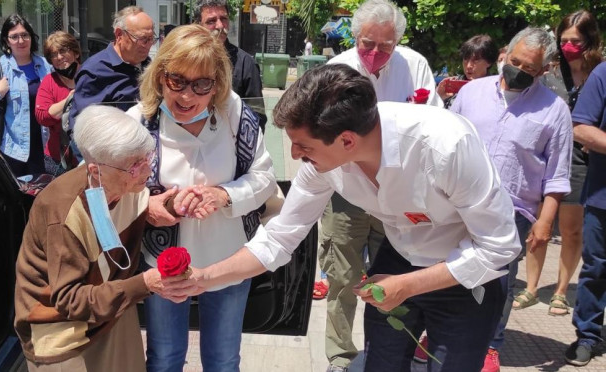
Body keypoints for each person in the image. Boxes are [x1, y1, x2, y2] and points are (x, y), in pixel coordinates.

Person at [163, 63, 520, 370]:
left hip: (466, 273)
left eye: (304, 146)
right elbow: (281, 236)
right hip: (397, 259)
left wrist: (409, 285)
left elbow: (499, 249)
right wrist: (204, 277)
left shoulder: (447, 146)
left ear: (347, 141)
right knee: (381, 364)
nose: (296, 155)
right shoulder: (323, 161)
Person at [125, 24, 276, 372]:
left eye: (201, 84)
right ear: (159, 76)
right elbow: (108, 190)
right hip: (163, 263)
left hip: (227, 260)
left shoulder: (234, 114)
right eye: (176, 81)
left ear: (218, 84)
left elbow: (264, 177)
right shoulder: (139, 123)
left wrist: (224, 194)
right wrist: (148, 206)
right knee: (164, 358)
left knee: (223, 361)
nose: (187, 96)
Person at [321, 0, 441, 369]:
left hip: (395, 194)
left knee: (391, 278)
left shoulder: (415, 65)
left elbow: (432, 125)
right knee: (342, 276)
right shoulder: (336, 69)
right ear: (355, 37)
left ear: (398, 41)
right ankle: (340, 357)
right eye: (367, 44)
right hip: (346, 190)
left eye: (384, 46)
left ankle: (383, 351)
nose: (374, 53)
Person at [450, 27, 573, 372]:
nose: (517, 69)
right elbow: (445, 143)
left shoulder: (554, 111)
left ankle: (491, 344)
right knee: (447, 270)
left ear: (544, 69)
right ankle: (442, 332)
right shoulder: (471, 93)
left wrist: (545, 221)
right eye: (514, 60)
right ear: (505, 53)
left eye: (529, 68)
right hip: (456, 203)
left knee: (499, 282)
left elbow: (557, 175)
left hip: (512, 211)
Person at [14, 104, 172, 371]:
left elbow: (146, 204)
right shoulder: (63, 212)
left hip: (110, 312)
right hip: (62, 332)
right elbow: (69, 300)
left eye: (148, 158)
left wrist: (176, 205)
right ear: (96, 170)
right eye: (135, 166)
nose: (146, 172)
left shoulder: (123, 183)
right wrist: (144, 283)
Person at [529, 10, 603, 318]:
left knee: (571, 231)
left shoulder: (599, 72)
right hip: (544, 158)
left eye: (576, 40)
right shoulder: (549, 73)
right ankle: (530, 288)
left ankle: (560, 291)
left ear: (590, 41)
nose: (570, 45)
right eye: (564, 40)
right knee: (538, 225)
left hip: (582, 161)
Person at [564, 49, 606, 368]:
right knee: (596, 268)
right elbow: (580, 127)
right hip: (603, 196)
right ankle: (588, 336)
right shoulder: (603, 74)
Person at [0, 14, 52, 176]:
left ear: (31, 37)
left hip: (45, 146)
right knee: (17, 196)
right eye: (14, 37)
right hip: (13, 149)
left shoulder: (45, 65)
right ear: (7, 41)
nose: (20, 41)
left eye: (24, 35)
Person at [70, 6, 154, 123]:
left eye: (151, 38)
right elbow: (82, 125)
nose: (149, 45)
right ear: (119, 35)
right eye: (142, 39)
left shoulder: (149, 66)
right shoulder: (94, 71)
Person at [194, 0, 268, 132]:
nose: (220, 25)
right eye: (211, 21)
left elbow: (257, 116)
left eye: (224, 19)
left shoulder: (246, 64)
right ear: (198, 25)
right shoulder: (187, 61)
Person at [35, 31, 82, 175]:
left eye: (63, 51)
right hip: (58, 160)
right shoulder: (49, 82)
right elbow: (42, 116)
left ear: (76, 53)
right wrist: (69, 99)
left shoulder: (91, 76)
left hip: (92, 157)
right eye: (53, 55)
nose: (59, 57)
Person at [436, 34, 499, 108]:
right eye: (465, 59)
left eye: (476, 60)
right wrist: (438, 97)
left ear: (489, 62)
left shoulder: (496, 88)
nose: (468, 66)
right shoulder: (452, 85)